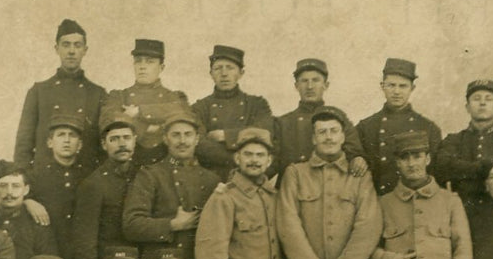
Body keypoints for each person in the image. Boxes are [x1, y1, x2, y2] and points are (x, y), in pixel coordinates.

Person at [276, 108, 383, 259]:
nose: (328, 137)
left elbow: (368, 225)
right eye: (322, 132)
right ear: (314, 139)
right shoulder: (296, 173)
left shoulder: (359, 176)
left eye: (334, 131)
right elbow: (288, 223)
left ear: (343, 136)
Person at [368, 131, 473, 259]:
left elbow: (463, 253)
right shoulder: (384, 203)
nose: (411, 163)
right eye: (404, 158)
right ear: (397, 163)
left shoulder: (450, 201)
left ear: (428, 159)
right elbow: (367, 249)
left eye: (417, 156)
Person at [122, 108, 220, 259]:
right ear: (165, 139)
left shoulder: (211, 180)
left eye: (188, 135)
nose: (182, 141)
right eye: (176, 135)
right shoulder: (150, 175)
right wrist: (173, 225)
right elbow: (131, 225)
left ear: (197, 139)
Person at [194, 127, 283, 259]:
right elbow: (211, 255)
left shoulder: (275, 197)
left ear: (269, 161)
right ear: (237, 159)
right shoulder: (224, 197)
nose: (254, 160)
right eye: (248, 154)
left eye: (260, 155)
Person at [13, 18, 106, 170]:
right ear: (56, 49)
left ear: (85, 50)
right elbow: (24, 144)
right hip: (46, 178)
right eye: (66, 45)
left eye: (77, 45)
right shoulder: (39, 92)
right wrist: (24, 177)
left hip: (85, 178)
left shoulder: (97, 94)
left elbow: (103, 146)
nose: (71, 51)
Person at [27, 113, 97, 259]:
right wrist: (28, 200)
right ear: (50, 142)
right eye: (60, 135)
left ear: (80, 144)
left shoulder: (90, 176)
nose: (66, 140)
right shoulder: (36, 177)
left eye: (72, 136)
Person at [70, 103, 140, 259]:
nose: (121, 144)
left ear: (135, 141)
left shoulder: (143, 176)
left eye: (126, 138)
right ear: (104, 144)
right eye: (114, 139)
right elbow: (84, 242)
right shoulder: (93, 184)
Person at [355, 58, 443, 195]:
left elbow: (436, 175)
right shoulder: (366, 127)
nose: (396, 91)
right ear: (382, 86)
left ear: (412, 88)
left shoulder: (428, 128)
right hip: (377, 202)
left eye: (403, 86)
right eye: (391, 85)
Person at [432, 79, 493, 208]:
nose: (482, 103)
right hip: (461, 207)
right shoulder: (453, 140)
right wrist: (485, 168)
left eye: (489, 99)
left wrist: (462, 168)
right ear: (467, 107)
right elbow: (443, 168)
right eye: (476, 99)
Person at [189, 44, 275, 178]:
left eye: (230, 68)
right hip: (212, 178)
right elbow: (199, 144)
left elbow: (264, 134)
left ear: (241, 73)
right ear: (211, 74)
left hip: (249, 177)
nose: (224, 74)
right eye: (218, 68)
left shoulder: (257, 104)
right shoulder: (200, 107)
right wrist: (242, 158)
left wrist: (226, 135)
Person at [103, 37, 191, 167]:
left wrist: (139, 112)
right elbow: (108, 125)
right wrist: (149, 127)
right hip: (128, 165)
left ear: (161, 67)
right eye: (138, 61)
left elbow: (182, 115)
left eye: (149, 62)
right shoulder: (119, 96)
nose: (142, 67)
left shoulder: (175, 97)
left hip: (168, 165)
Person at [271, 57, 363, 175]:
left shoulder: (339, 118)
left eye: (315, 80)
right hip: (292, 188)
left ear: (326, 85)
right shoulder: (282, 123)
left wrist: (358, 158)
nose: (310, 86)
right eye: (304, 81)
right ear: (296, 86)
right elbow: (270, 164)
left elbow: (354, 151)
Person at [0, 160, 60, 259]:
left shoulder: (39, 226)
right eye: (3, 186)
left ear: (26, 190)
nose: (9, 192)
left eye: (16, 186)